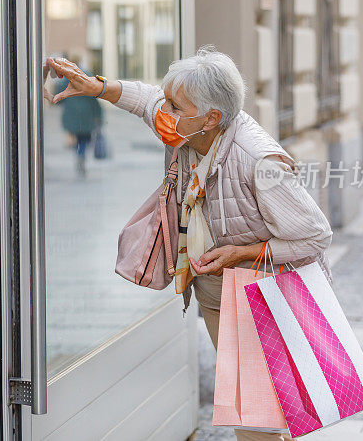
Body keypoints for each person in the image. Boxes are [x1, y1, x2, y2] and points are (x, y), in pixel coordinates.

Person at [46, 45, 333, 441]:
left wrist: (243, 252)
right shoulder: (190, 132)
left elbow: (315, 236)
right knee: (258, 414)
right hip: (218, 294)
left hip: (263, 299)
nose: (164, 112)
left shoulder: (258, 160)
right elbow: (145, 100)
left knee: (255, 418)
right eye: (168, 101)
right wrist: (95, 86)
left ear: (211, 117)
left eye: (175, 107)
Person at [49, 52, 104, 177]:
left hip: (71, 114)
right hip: (86, 114)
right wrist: (99, 115)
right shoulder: (87, 75)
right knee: (84, 138)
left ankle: (79, 155)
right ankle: (81, 155)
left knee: (77, 138)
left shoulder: (66, 77)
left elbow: (58, 96)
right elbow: (94, 96)